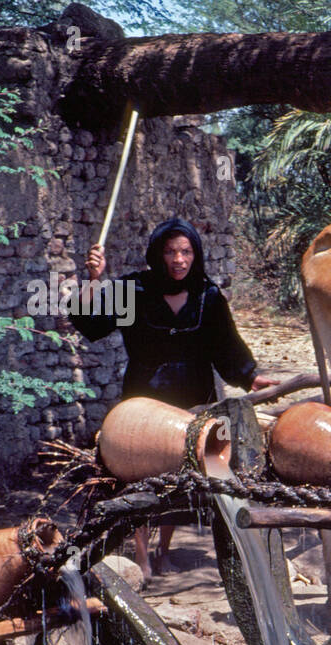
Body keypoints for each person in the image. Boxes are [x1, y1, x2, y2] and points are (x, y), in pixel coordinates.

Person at [75, 217, 277, 579]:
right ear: (158, 253)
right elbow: (91, 324)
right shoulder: (134, 290)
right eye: (170, 251)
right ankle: (141, 557)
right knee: (140, 473)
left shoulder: (208, 295)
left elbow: (226, 348)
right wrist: (94, 279)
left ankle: (164, 549)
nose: (178, 259)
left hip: (193, 396)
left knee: (179, 473)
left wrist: (251, 376)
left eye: (185, 251)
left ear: (195, 254)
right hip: (144, 397)